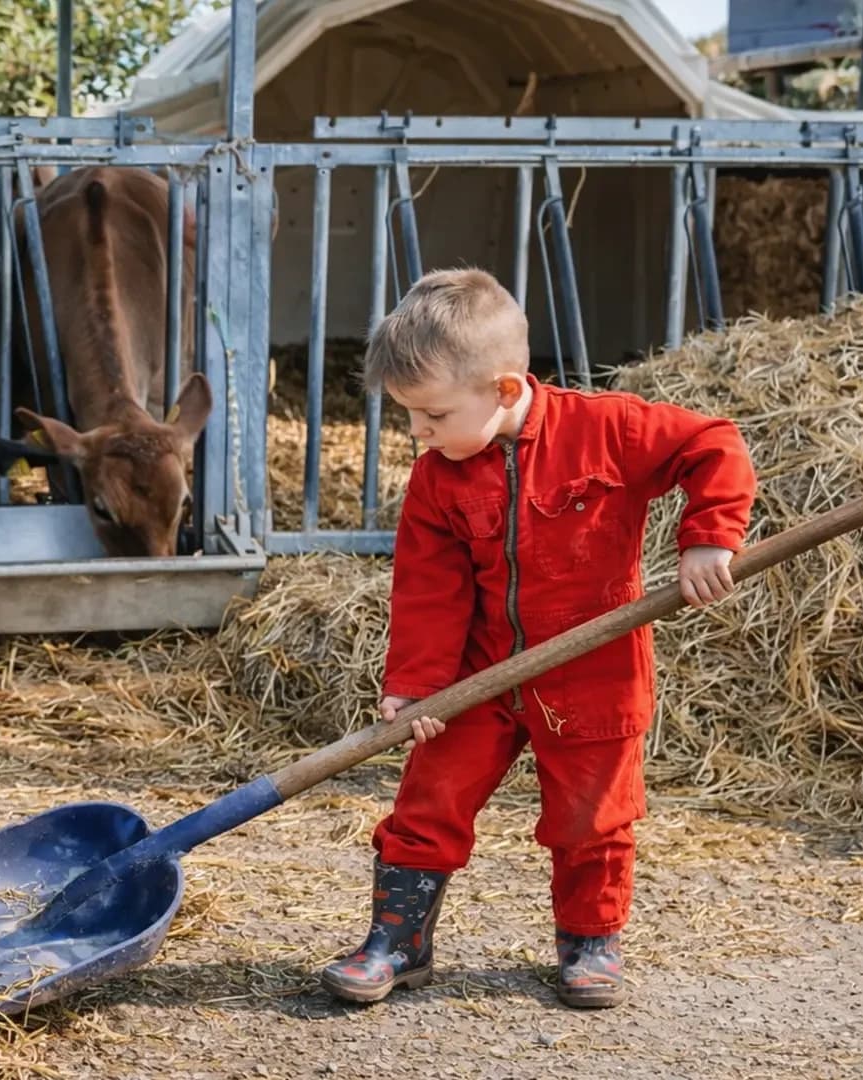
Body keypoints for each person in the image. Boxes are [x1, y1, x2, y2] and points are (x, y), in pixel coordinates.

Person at [318, 268, 756, 1009]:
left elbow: (712, 444)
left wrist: (708, 538)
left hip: (595, 669)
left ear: (507, 391)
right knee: (428, 804)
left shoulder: (607, 430)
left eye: (432, 416)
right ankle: (398, 940)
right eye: (409, 419)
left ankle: (590, 941)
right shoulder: (438, 479)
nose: (418, 435)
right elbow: (429, 588)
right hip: (479, 673)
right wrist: (421, 685)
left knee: (594, 817)